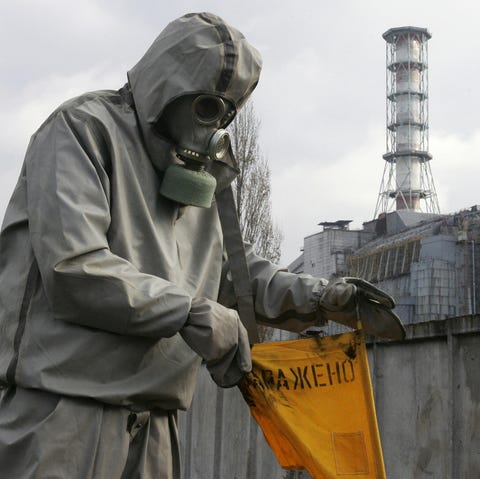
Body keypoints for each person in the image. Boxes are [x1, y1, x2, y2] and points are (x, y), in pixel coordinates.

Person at [0, 12, 403, 479]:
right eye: (206, 106)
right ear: (163, 88)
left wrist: (321, 297)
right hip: (65, 417)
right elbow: (75, 268)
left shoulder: (199, 171)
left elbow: (229, 271)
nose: (216, 123)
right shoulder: (82, 130)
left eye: (229, 110)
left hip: (155, 423)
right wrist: (190, 311)